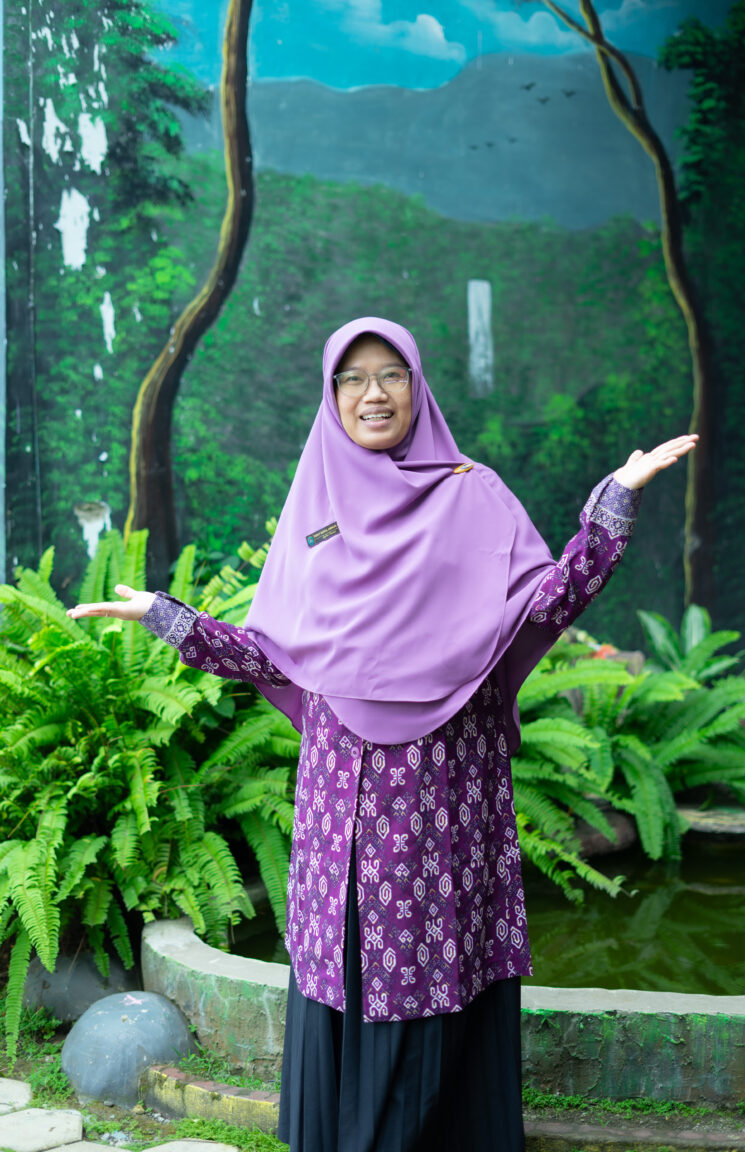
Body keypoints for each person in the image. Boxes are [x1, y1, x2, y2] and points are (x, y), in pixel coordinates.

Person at [68, 317, 697, 1152]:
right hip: (341, 815)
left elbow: (547, 603)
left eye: (392, 374)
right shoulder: (315, 508)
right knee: (347, 977)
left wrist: (613, 501)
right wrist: (166, 616)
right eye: (353, 378)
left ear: (417, 386)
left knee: (436, 985)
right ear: (331, 396)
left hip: (444, 808)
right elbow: (271, 653)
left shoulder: (473, 495)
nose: (374, 394)